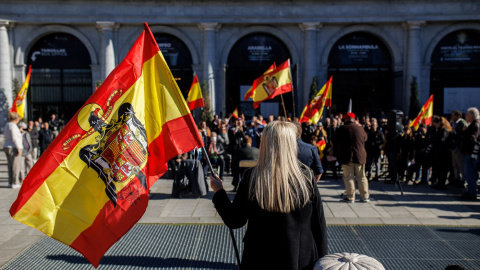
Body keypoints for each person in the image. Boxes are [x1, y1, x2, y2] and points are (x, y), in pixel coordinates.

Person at [210, 121, 328, 269]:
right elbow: (319, 225)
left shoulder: (252, 177)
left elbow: (235, 220)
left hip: (259, 257)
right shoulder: (306, 177)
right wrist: (324, 260)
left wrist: (219, 192)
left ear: (265, 143)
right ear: (291, 144)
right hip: (300, 258)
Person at [333, 112, 369, 203]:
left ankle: (350, 197)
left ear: (345, 120)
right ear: (354, 120)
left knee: (348, 177)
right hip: (360, 156)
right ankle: (365, 196)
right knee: (362, 177)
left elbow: (335, 140)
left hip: (346, 157)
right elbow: (365, 138)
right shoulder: (360, 128)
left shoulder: (341, 129)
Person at [460, 107, 480, 200]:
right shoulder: (474, 124)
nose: (465, 116)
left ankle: (472, 192)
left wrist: (464, 132)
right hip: (470, 153)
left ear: (472, 115)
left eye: (467, 114)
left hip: (470, 153)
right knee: (471, 173)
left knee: (470, 173)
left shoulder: (475, 124)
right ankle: (471, 191)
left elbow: (473, 138)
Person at [429, 116, 453, 190]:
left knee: (442, 169)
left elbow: (442, 140)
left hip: (443, 153)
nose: (435, 125)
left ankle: (441, 184)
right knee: (439, 169)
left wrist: (433, 139)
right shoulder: (440, 129)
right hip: (439, 152)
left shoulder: (444, 130)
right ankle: (439, 183)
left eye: (436, 123)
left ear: (439, 123)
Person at [3, 113, 23, 188]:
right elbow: (14, 138)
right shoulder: (13, 126)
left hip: (7, 146)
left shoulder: (7, 125)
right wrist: (18, 148)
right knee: (15, 166)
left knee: (10, 166)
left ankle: (10, 182)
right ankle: (15, 182)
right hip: (13, 147)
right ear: (16, 119)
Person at [450, 110, 468, 187]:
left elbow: (463, 135)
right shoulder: (452, 123)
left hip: (459, 148)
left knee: (460, 165)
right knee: (455, 165)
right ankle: (456, 179)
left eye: (453, 115)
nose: (452, 117)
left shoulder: (462, 123)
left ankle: (463, 180)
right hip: (453, 147)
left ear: (458, 116)